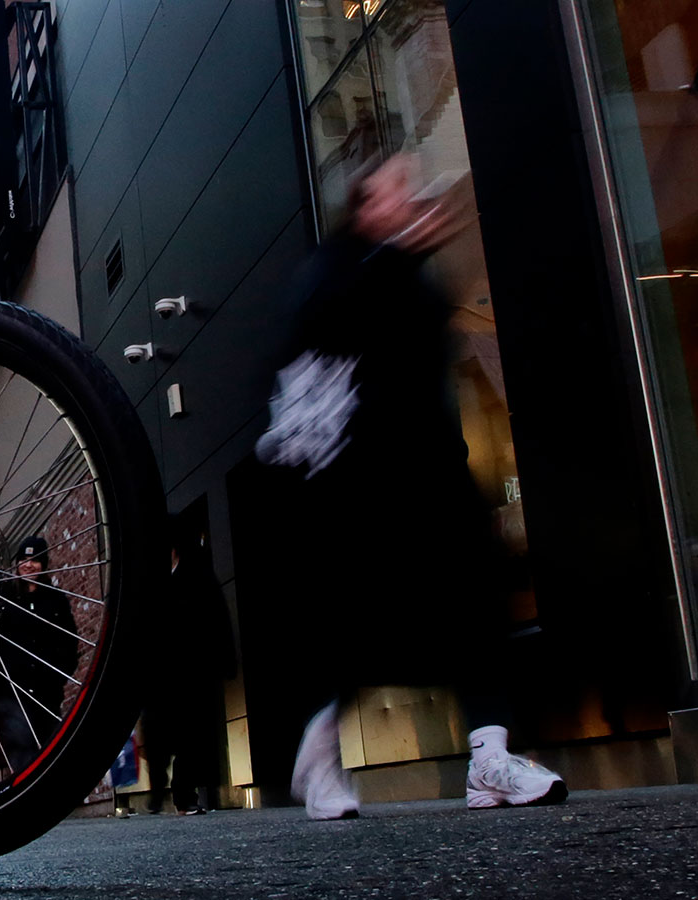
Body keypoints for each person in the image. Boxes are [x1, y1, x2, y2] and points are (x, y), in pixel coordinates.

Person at [259, 154, 566, 820]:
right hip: (358, 492)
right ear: (367, 206)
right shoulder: (334, 272)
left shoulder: (407, 277)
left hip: (429, 485)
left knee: (476, 608)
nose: (414, 194)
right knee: (357, 627)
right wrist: (399, 260)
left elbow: (423, 375)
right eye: (399, 186)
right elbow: (320, 352)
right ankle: (318, 756)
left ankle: (489, 760)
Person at [140, 514, 235, 815]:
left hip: (191, 669)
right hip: (157, 673)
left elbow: (218, 617)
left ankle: (185, 795)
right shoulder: (147, 583)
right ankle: (157, 788)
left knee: (190, 736)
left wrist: (224, 659)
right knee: (158, 739)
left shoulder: (197, 575)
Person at [0, 535, 80, 772]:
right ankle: (27, 802)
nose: (28, 565)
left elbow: (69, 639)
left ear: (44, 564)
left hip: (46, 688)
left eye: (35, 560)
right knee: (21, 745)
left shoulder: (56, 599)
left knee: (50, 746)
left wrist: (61, 674)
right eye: (23, 559)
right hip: (12, 689)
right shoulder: (4, 597)